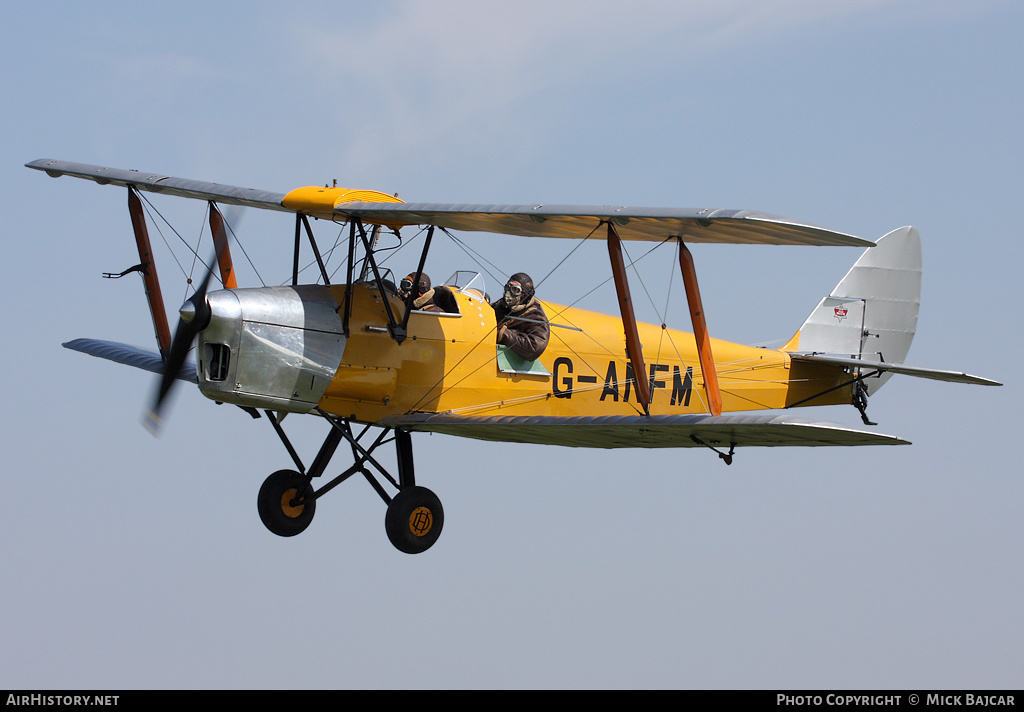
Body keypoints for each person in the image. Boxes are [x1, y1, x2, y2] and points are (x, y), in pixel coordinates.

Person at [491, 272, 549, 360]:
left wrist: (504, 334)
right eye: (507, 288)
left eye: (515, 290)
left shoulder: (534, 315)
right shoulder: (498, 306)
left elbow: (536, 346)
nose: (508, 294)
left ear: (525, 294)